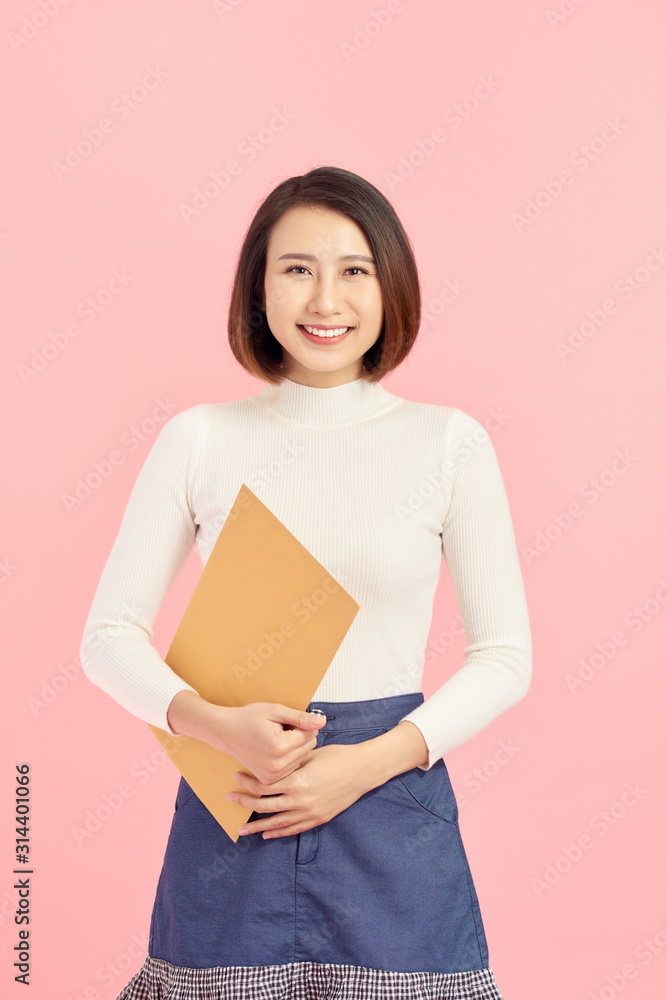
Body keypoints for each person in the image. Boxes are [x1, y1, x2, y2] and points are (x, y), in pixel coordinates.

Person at [79, 165, 532, 1000]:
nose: (325, 300)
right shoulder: (199, 440)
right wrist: (214, 725)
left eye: (353, 270)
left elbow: (504, 657)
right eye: (296, 269)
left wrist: (362, 765)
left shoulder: (448, 444)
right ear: (258, 287)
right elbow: (106, 640)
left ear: (390, 284)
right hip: (240, 796)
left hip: (394, 802)